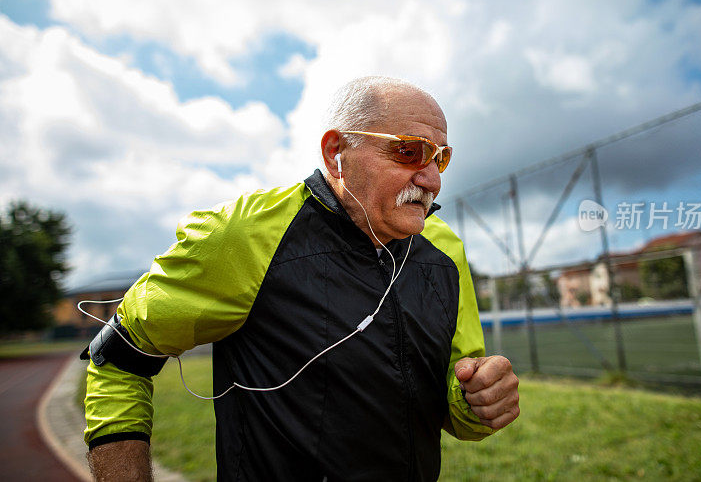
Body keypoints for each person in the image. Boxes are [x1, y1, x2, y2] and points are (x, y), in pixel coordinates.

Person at [83, 76, 520, 481]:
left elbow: (456, 398)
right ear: (336, 153)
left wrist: (479, 398)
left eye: (441, 157)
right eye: (409, 151)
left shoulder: (447, 250)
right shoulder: (244, 234)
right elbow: (119, 360)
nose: (431, 178)